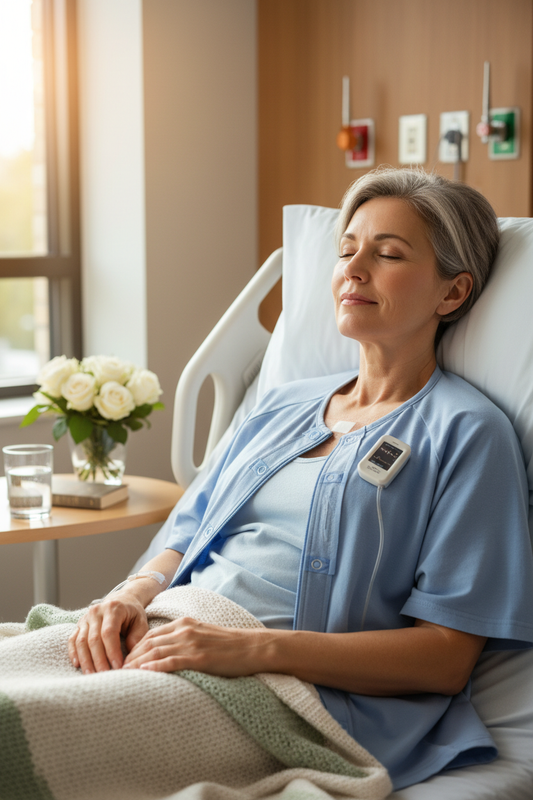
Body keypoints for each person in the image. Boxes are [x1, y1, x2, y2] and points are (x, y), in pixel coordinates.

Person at [69, 167, 533, 791]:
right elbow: (187, 531)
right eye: (347, 250)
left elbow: (446, 657)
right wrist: (129, 595)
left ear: (452, 294)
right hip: (167, 634)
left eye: (388, 254)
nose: (353, 269)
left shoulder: (467, 433)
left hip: (283, 694)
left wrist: (249, 650)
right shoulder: (281, 405)